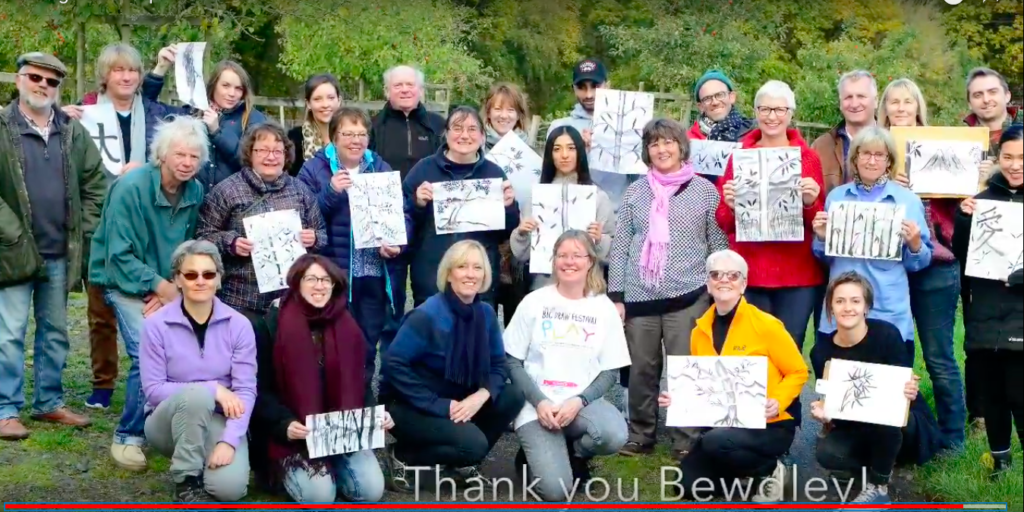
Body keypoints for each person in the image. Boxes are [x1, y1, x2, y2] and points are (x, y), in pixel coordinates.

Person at [61, 42, 185, 411]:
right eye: (118, 70)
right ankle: (103, 381)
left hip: (145, 215)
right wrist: (62, 118)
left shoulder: (152, 111)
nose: (126, 76)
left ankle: (151, 375)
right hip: (99, 213)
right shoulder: (88, 110)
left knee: (144, 298)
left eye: (132, 70)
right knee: (100, 307)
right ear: (105, 76)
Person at [87, 116, 209, 470]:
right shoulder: (130, 188)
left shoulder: (195, 191)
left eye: (194, 157)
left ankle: (169, 426)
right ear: (162, 155)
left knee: (185, 349)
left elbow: (186, 247)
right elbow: (118, 254)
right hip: (121, 279)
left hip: (165, 283)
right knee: (148, 350)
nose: (187, 163)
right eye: (180, 155)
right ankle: (128, 436)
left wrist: (172, 288)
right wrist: (161, 287)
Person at [0, 52, 107, 441]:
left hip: (60, 250)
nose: (43, 86)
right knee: (9, 333)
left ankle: (48, 403)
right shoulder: (1, 125)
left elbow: (97, 182)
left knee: (56, 331)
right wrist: (11, 232)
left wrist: (85, 225)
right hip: (11, 252)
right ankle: (5, 409)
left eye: (51, 81)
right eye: (35, 78)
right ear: (19, 80)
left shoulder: (72, 131)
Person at [608, 118, 728, 457]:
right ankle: (640, 434)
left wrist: (717, 288)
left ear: (681, 146)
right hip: (640, 296)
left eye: (668, 142)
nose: (662, 149)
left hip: (688, 296)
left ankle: (685, 438)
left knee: (686, 369)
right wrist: (617, 297)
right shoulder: (635, 192)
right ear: (647, 151)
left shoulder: (705, 190)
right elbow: (620, 246)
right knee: (641, 370)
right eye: (654, 144)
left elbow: (716, 243)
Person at [380, 240, 525, 492]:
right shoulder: (427, 315)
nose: (471, 274)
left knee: (512, 396)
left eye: (477, 268)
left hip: (459, 400)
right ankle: (403, 456)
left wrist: (480, 396)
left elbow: (498, 366)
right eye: (462, 267)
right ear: (449, 273)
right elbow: (394, 365)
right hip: (411, 406)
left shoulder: (486, 315)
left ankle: (462, 464)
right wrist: (441, 405)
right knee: (473, 444)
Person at [667, 249, 808, 503]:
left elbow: (797, 371)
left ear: (743, 284)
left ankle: (770, 470)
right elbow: (703, 385)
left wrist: (778, 399)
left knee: (715, 441)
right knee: (686, 486)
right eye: (716, 274)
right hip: (726, 422)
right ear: (708, 284)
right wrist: (679, 398)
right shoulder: (699, 331)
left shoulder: (765, 325)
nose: (724, 280)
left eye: (733, 275)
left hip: (770, 423)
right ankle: (737, 469)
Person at [250, 254, 390, 502]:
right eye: (311, 279)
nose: (320, 286)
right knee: (319, 498)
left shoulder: (348, 324)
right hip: (296, 436)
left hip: (341, 432)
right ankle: (288, 474)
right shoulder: (272, 324)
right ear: (297, 282)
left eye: (326, 280)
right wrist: (284, 425)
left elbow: (361, 382)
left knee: (370, 491)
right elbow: (259, 390)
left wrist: (373, 415)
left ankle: (333, 468)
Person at [505, 230, 630, 502]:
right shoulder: (534, 302)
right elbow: (511, 359)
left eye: (577, 255)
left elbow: (610, 369)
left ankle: (575, 453)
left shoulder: (603, 307)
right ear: (554, 261)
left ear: (590, 261)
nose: (569, 262)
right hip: (538, 405)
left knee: (613, 434)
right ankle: (530, 456)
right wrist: (539, 402)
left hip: (579, 405)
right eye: (562, 255)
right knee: (556, 492)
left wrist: (580, 400)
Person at [878, 78, 967, 450]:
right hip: (889, 269)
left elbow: (960, 202)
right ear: (884, 109)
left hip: (936, 266)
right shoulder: (875, 150)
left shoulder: (940, 147)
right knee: (888, 353)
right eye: (893, 102)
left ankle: (953, 437)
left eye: (907, 102)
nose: (900, 108)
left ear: (918, 108)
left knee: (938, 355)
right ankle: (889, 433)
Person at [810, 271, 942, 505]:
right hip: (858, 424)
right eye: (839, 301)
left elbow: (903, 385)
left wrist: (909, 390)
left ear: (866, 307)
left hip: (902, 421)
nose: (847, 307)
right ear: (830, 308)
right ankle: (879, 460)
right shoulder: (820, 352)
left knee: (885, 416)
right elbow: (834, 402)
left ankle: (878, 486)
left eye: (855, 300)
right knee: (827, 453)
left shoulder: (887, 334)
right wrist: (826, 413)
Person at [140, 240, 256, 502]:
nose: (200, 281)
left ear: (219, 278)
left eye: (208, 274)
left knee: (230, 490)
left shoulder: (239, 325)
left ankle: (209, 458)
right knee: (198, 396)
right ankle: (186, 481)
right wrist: (213, 388)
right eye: (190, 275)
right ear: (177, 280)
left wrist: (229, 440)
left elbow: (246, 390)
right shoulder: (156, 325)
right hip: (167, 421)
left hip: (217, 418)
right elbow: (154, 390)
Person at [716, 80, 825, 350]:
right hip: (750, 272)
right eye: (765, 109)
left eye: (779, 110)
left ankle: (789, 396)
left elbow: (820, 224)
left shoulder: (808, 158)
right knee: (752, 351)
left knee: (789, 350)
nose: (772, 116)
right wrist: (730, 205)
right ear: (755, 112)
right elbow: (724, 223)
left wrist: (810, 203)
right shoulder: (739, 158)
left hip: (797, 275)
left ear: (790, 113)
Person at [296, 107, 405, 372]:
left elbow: (400, 214)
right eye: (348, 134)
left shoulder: (380, 167)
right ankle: (332, 406)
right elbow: (302, 216)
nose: (356, 140)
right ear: (334, 137)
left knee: (367, 342)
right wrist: (331, 191)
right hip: (335, 272)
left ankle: (363, 399)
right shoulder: (314, 169)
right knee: (331, 341)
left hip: (374, 272)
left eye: (362, 134)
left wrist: (396, 244)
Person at [811, 127, 932, 363]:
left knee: (890, 388)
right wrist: (823, 237)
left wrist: (915, 244)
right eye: (865, 153)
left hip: (888, 305)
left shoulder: (907, 200)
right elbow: (824, 258)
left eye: (880, 155)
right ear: (855, 159)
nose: (872, 160)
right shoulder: (836, 198)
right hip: (843, 309)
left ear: (889, 161)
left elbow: (921, 263)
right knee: (837, 387)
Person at [196, 122, 327, 322]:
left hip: (291, 299)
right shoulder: (227, 191)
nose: (271, 156)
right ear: (250, 153)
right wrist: (230, 242)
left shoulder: (300, 191)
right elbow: (202, 237)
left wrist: (314, 238)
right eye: (263, 150)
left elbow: (322, 234)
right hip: (240, 300)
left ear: (286, 155)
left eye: (277, 151)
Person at [952, 124, 1023, 480]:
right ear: (998, 159)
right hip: (984, 310)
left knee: (1020, 393)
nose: (1014, 164)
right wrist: (964, 221)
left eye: (1022, 157)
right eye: (1008, 156)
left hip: (1021, 314)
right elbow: (963, 258)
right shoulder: (980, 201)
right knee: (992, 392)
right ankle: (1001, 463)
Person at [402, 106, 519, 308]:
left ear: (483, 136)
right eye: (457, 128)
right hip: (432, 280)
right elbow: (403, 222)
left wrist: (509, 207)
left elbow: (508, 232)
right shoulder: (423, 170)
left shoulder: (494, 174)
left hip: (478, 284)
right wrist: (417, 203)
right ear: (446, 134)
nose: (464, 135)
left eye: (472, 129)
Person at [960, 67, 1022, 429]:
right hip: (976, 253)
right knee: (977, 338)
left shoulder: (1019, 135)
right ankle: (980, 412)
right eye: (977, 94)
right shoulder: (957, 138)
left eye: (992, 92)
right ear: (969, 101)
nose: (986, 99)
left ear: (1006, 96)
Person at [146, 44, 267, 190]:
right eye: (226, 85)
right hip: (193, 199)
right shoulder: (193, 112)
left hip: (233, 200)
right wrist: (161, 68)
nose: (232, 93)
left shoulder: (253, 118)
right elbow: (148, 105)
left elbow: (252, 162)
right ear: (214, 85)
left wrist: (217, 132)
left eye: (238, 88)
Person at [511, 126, 616, 290]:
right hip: (545, 287)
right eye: (557, 149)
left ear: (580, 152)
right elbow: (522, 254)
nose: (564, 155)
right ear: (549, 155)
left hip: (587, 289)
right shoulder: (536, 197)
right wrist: (521, 233)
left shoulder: (598, 197)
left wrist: (600, 239)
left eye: (571, 148)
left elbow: (613, 253)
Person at [547, 58, 632, 206]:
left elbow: (640, 178)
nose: (589, 95)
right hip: (570, 213)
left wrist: (610, 147)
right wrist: (578, 150)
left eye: (595, 86)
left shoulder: (628, 125)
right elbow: (548, 176)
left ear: (608, 85)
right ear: (573, 88)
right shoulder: (560, 127)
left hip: (615, 217)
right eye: (582, 87)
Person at [482, 82, 533, 327]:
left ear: (519, 115)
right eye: (498, 109)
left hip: (518, 247)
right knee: (483, 315)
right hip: (485, 241)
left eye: (511, 109)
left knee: (518, 318)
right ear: (488, 112)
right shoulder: (475, 148)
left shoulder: (531, 154)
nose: (504, 115)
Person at [369, 65, 446, 180]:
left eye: (410, 85)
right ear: (387, 91)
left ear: (420, 91)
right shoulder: (372, 126)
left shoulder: (438, 124)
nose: (405, 90)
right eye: (398, 85)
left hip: (429, 195)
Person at [812, 70, 879, 194]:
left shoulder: (894, 142)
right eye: (848, 97)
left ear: (875, 101)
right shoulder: (821, 146)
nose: (854, 104)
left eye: (861, 96)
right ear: (840, 104)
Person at [687, 70, 755, 184]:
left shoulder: (753, 134)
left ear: (732, 97)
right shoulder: (688, 141)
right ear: (700, 106)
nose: (715, 102)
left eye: (720, 95)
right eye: (707, 99)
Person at [287, 74, 343, 176]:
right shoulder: (295, 139)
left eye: (330, 98)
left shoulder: (353, 137)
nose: (325, 104)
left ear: (339, 100)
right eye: (317, 99)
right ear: (308, 103)